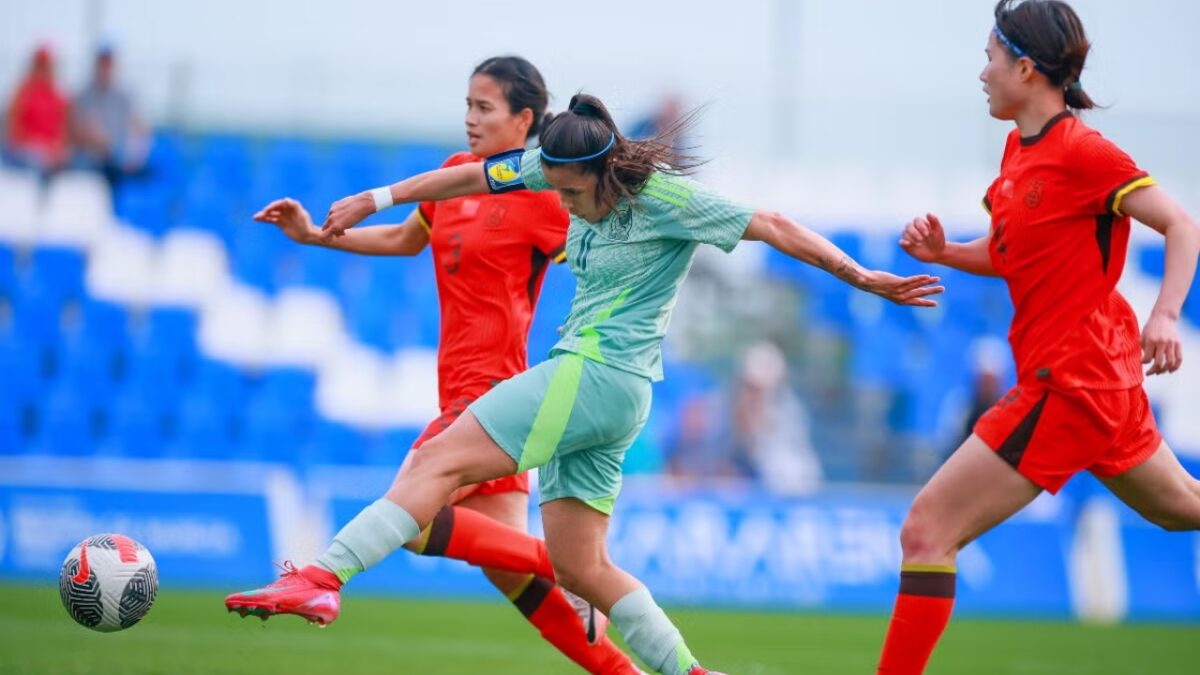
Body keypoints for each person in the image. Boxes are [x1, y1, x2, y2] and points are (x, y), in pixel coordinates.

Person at [229, 92, 942, 675]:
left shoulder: (665, 197)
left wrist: (863, 276)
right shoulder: (553, 165)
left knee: (433, 460)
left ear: (601, 172)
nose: (560, 201)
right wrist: (375, 196)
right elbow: (470, 177)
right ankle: (690, 673)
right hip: (615, 396)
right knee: (580, 566)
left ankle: (320, 578)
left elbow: (775, 225)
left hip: (594, 374)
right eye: (552, 185)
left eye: (569, 190)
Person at [236, 57, 640, 674]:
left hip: (494, 392)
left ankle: (579, 571)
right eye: (468, 106)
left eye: (485, 109)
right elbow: (404, 239)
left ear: (523, 119)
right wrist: (315, 236)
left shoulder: (542, 195)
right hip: (455, 387)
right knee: (514, 577)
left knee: (414, 519)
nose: (471, 120)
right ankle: (617, 652)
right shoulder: (455, 177)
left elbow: (602, 257)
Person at [877, 2, 1200, 673]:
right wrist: (946, 254)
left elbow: (1180, 224)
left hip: (1071, 381)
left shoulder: (1085, 152)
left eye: (991, 58)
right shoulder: (1018, 151)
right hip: (1098, 375)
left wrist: (1166, 314)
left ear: (1025, 68)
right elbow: (1014, 252)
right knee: (1182, 509)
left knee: (926, 528)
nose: (982, 73)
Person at [70, 44, 152, 189]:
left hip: (117, 159)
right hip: (89, 160)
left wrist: (133, 155)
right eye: (103, 62)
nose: (105, 68)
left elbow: (140, 130)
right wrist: (91, 137)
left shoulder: (125, 97)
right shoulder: (82, 96)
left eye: (109, 63)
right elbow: (73, 133)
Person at [2, 44, 69, 176]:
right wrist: (34, 146)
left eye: (47, 65)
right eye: (40, 65)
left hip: (49, 155)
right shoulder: (21, 92)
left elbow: (63, 131)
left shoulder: (58, 96)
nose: (44, 69)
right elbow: (13, 129)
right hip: (24, 152)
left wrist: (54, 149)